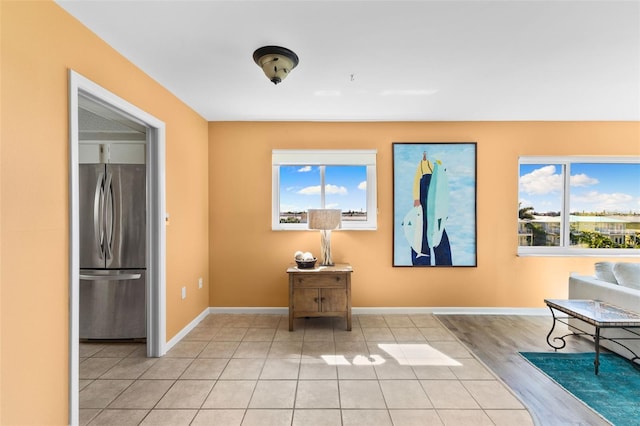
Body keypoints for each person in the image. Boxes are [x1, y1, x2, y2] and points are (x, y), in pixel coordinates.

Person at [412, 152, 452, 265]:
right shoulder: (422, 167)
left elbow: (441, 192)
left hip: (433, 205)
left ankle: (444, 263)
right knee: (422, 232)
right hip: (424, 202)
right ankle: (423, 263)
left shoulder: (434, 170)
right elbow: (417, 180)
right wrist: (416, 198)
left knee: (436, 232)